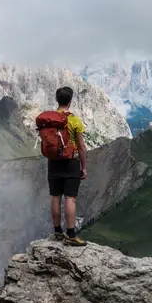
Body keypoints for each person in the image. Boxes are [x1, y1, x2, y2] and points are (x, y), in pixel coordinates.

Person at [46, 86, 88, 246]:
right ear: (70, 101)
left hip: (53, 162)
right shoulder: (75, 120)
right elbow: (82, 147)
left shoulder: (48, 120)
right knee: (70, 198)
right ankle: (71, 235)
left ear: (57, 100)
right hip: (71, 162)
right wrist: (83, 168)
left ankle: (57, 232)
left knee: (55, 197)